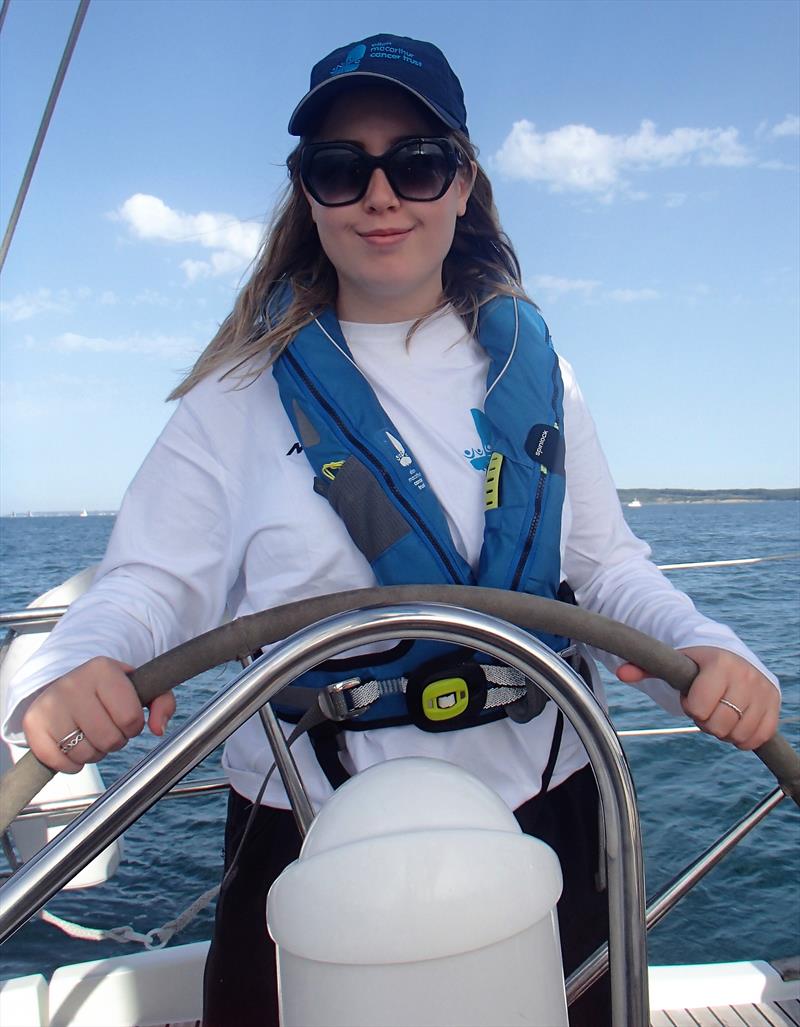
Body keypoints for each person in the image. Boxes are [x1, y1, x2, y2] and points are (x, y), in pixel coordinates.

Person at [3, 33, 781, 1027]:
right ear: (309, 194)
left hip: (543, 802)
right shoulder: (231, 400)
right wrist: (78, 663)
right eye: (341, 168)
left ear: (461, 184)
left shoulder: (540, 376)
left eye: (415, 161)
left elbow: (605, 564)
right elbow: (146, 583)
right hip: (307, 826)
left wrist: (706, 647)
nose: (381, 195)